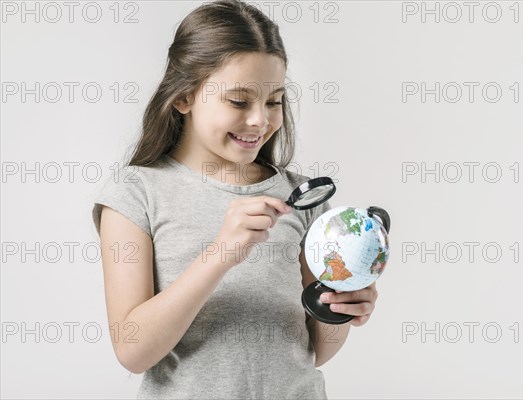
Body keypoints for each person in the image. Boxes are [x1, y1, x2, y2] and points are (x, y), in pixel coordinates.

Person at [91, 0, 378, 398]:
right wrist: (222, 253)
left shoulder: (303, 197)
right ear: (183, 97)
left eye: (274, 101)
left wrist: (341, 308)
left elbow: (316, 351)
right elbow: (132, 350)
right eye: (239, 101)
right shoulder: (135, 193)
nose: (261, 119)